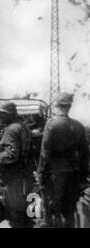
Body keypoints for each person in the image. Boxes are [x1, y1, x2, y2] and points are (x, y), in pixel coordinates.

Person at [37, 92, 89, 228]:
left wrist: (40, 172)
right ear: (69, 107)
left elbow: (45, 152)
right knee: (69, 211)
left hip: (55, 174)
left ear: (56, 106)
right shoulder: (78, 126)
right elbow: (84, 153)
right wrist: (83, 174)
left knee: (51, 209)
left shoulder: (51, 124)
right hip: (74, 173)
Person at [0, 102, 34, 228]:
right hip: (24, 174)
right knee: (23, 214)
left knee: (15, 214)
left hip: (13, 177)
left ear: (8, 114)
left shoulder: (11, 129)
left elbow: (10, 156)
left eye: (1, 114)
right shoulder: (23, 127)